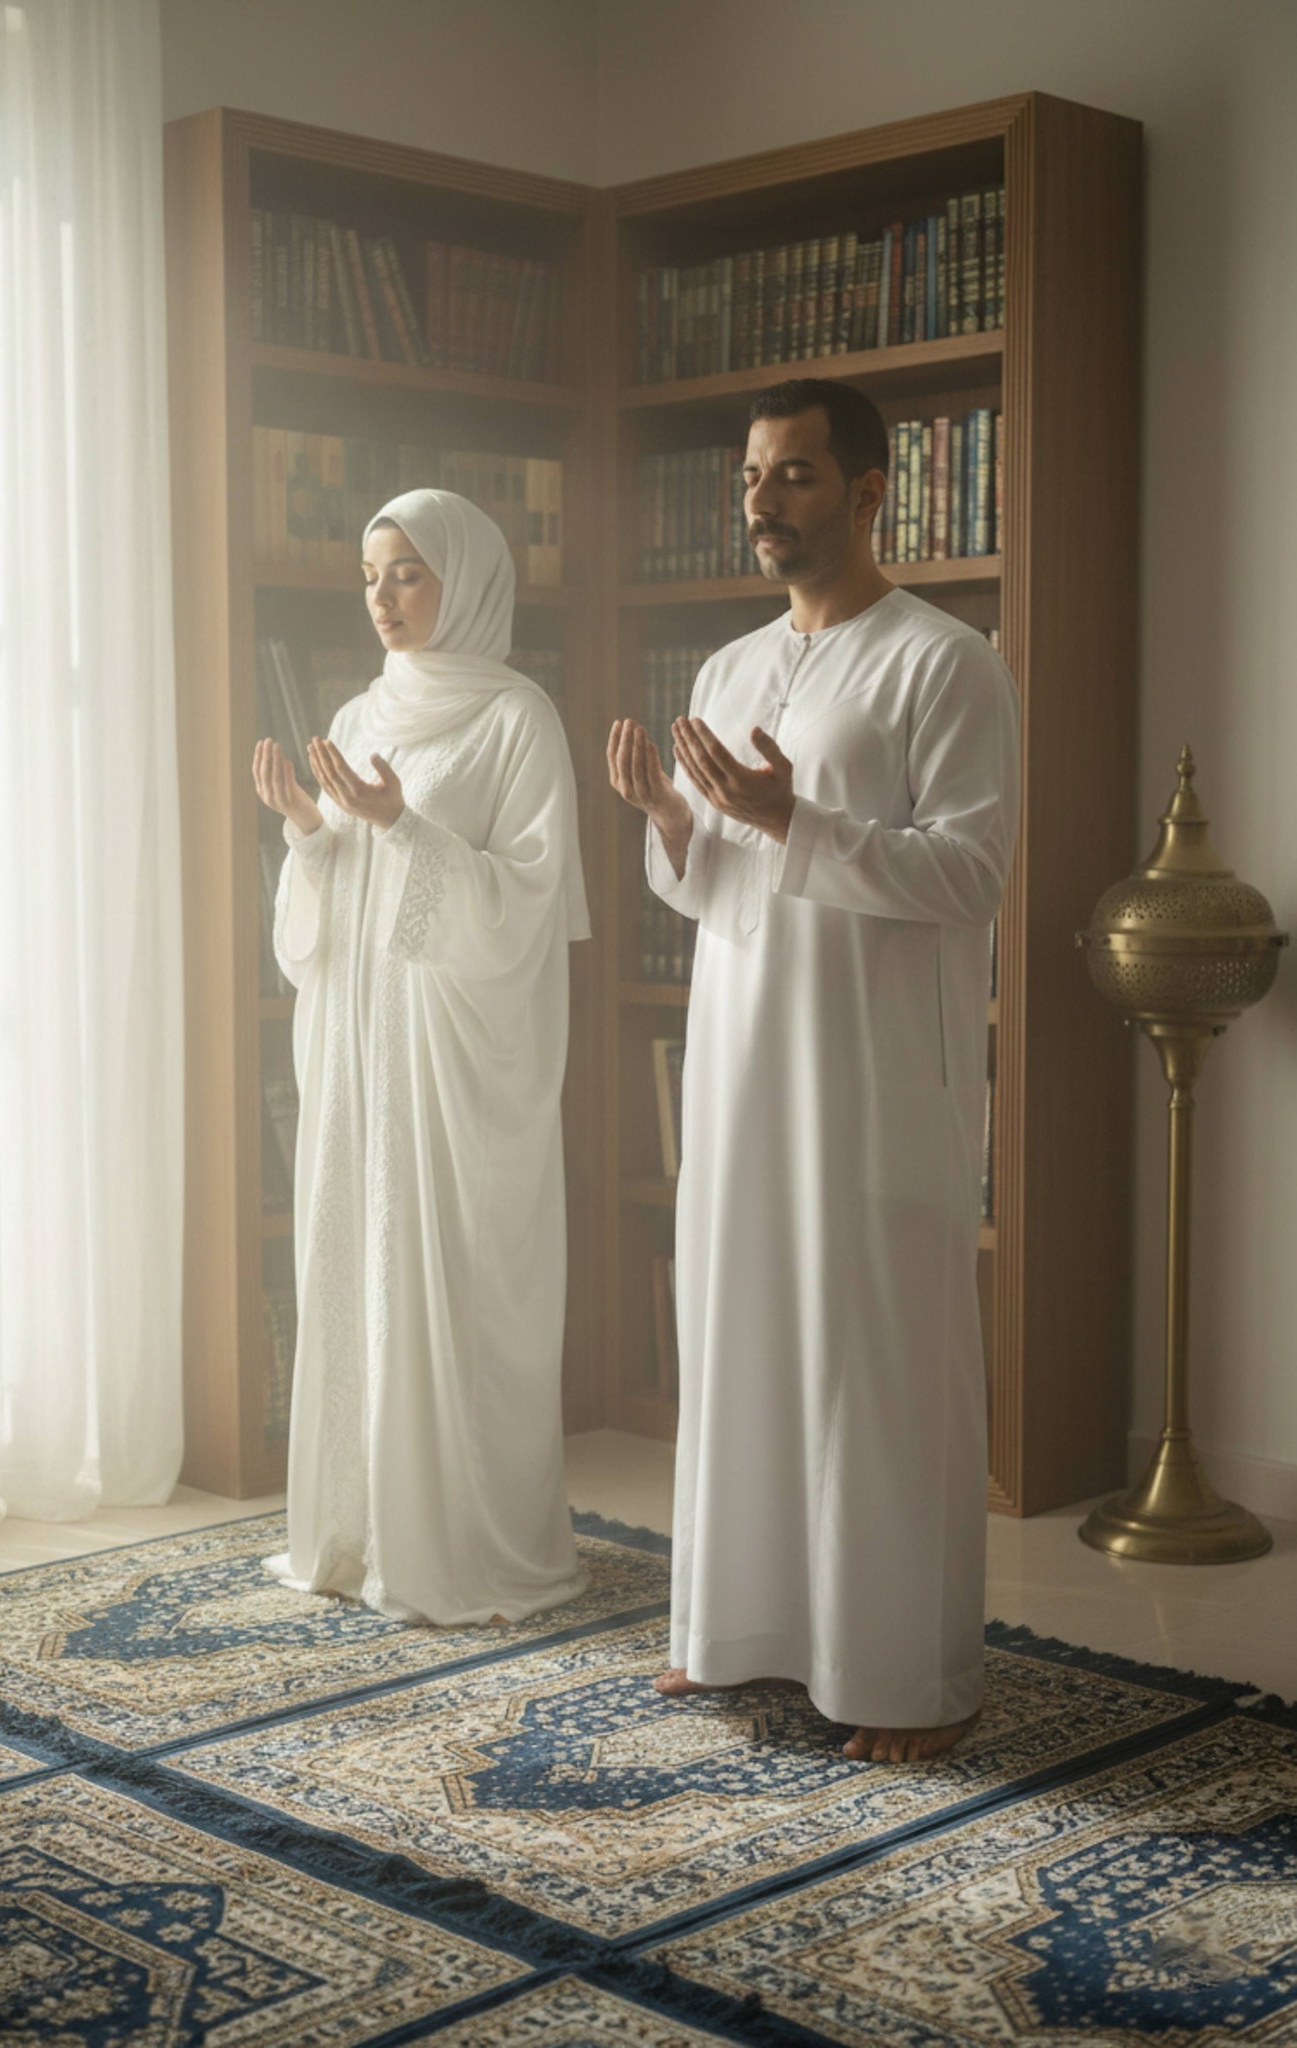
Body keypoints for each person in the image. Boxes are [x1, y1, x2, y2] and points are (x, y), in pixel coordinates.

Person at [608, 379, 1020, 1763]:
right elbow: (712, 885)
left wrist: (797, 819)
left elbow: (970, 874)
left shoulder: (944, 664)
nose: (761, 500)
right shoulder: (727, 671)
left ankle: (913, 1675)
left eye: (791, 473)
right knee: (741, 1332)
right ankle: (738, 1631)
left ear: (866, 490)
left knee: (872, 1362)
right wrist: (672, 822)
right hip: (739, 1062)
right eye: (749, 476)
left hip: (869, 1068)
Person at [252, 488, 590, 1625]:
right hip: (363, 1037)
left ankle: (457, 1541)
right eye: (369, 575)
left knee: (450, 1267)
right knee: (359, 1251)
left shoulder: (516, 718)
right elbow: (335, 907)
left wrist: (403, 824)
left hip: (454, 1053)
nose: (382, 597)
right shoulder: (359, 713)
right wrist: (310, 832)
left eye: (406, 572)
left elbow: (529, 901)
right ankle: (357, 1531)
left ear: (467, 579)